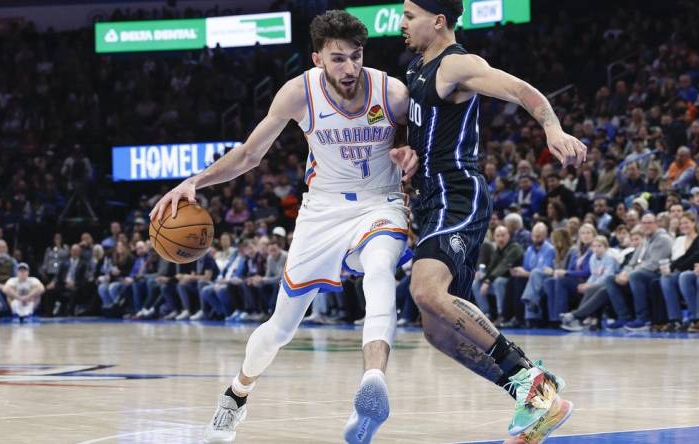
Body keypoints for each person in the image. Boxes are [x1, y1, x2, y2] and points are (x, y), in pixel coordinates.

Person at [151, 11, 418, 444]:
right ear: (317, 59)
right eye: (337, 59)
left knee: (381, 270)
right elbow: (249, 155)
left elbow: (418, 142)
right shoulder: (298, 94)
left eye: (355, 56)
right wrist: (193, 181)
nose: (349, 68)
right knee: (282, 327)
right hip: (323, 210)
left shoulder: (393, 93)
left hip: (379, 203)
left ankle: (373, 382)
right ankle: (236, 394)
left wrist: (412, 155)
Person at [400, 1, 585, 441]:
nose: (402, 24)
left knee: (424, 290)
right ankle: (537, 401)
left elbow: (523, 90)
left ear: (438, 20)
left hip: (456, 193)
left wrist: (552, 129)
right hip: (430, 201)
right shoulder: (415, 68)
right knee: (438, 333)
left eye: (410, 16)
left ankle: (532, 381)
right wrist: (404, 153)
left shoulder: (458, 65)